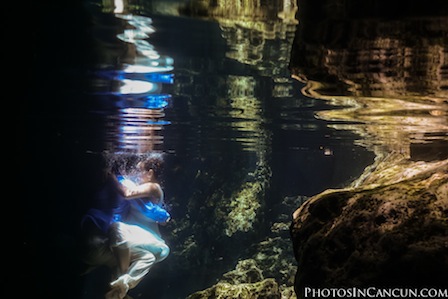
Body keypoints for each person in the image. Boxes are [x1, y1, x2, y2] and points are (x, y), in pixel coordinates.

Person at [105, 157, 171, 299]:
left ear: (150, 173)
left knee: (117, 228)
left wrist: (112, 177)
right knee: (146, 257)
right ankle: (122, 287)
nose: (137, 174)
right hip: (137, 239)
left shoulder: (153, 187)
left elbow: (128, 193)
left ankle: (123, 280)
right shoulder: (142, 187)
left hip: (147, 238)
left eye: (140, 171)